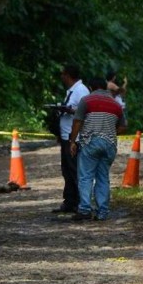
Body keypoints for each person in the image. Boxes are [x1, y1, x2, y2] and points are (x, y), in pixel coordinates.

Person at [69, 78, 126, 221]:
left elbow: (77, 121)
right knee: (102, 178)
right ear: (105, 87)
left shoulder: (87, 100)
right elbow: (123, 126)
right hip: (109, 145)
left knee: (86, 176)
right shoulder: (116, 104)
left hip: (90, 143)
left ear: (90, 87)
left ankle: (84, 209)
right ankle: (102, 212)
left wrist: (73, 141)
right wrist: (110, 133)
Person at [52, 65, 91, 213]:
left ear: (68, 75)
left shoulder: (81, 90)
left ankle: (81, 202)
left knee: (75, 170)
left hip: (75, 137)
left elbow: (85, 111)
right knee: (67, 170)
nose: (61, 77)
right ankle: (70, 200)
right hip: (65, 135)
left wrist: (68, 110)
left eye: (62, 74)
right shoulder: (72, 91)